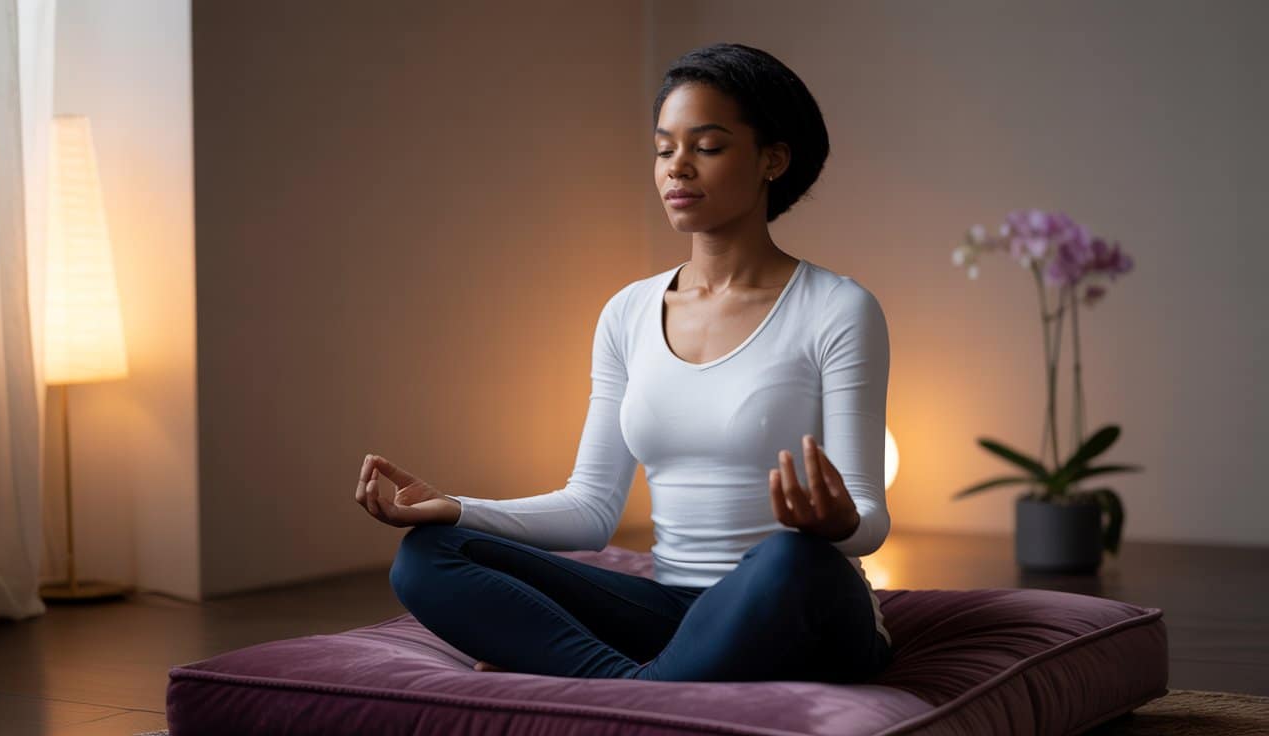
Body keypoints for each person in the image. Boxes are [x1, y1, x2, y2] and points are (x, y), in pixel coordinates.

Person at [355, 42, 894, 683]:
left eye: (708, 147)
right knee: (428, 555)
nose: (677, 169)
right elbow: (590, 509)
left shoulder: (837, 308)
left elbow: (871, 517)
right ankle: (638, 685)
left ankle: (629, 687)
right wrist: (457, 507)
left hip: (800, 600)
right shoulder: (628, 312)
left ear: (772, 159)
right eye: (665, 149)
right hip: (672, 613)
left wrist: (839, 524)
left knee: (788, 559)